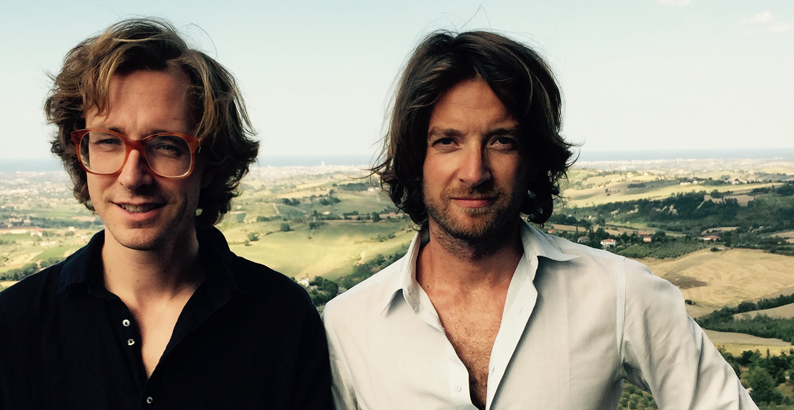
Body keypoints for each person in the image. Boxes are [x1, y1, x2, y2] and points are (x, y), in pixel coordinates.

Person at [322, 30, 756, 410]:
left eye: (501, 140)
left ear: (533, 158)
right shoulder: (348, 325)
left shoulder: (620, 292)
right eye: (447, 141)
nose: (475, 172)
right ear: (417, 160)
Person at [0, 18, 333, 409]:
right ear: (82, 154)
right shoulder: (14, 325)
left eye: (165, 145)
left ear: (208, 161)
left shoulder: (283, 320)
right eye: (109, 141)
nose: (133, 176)